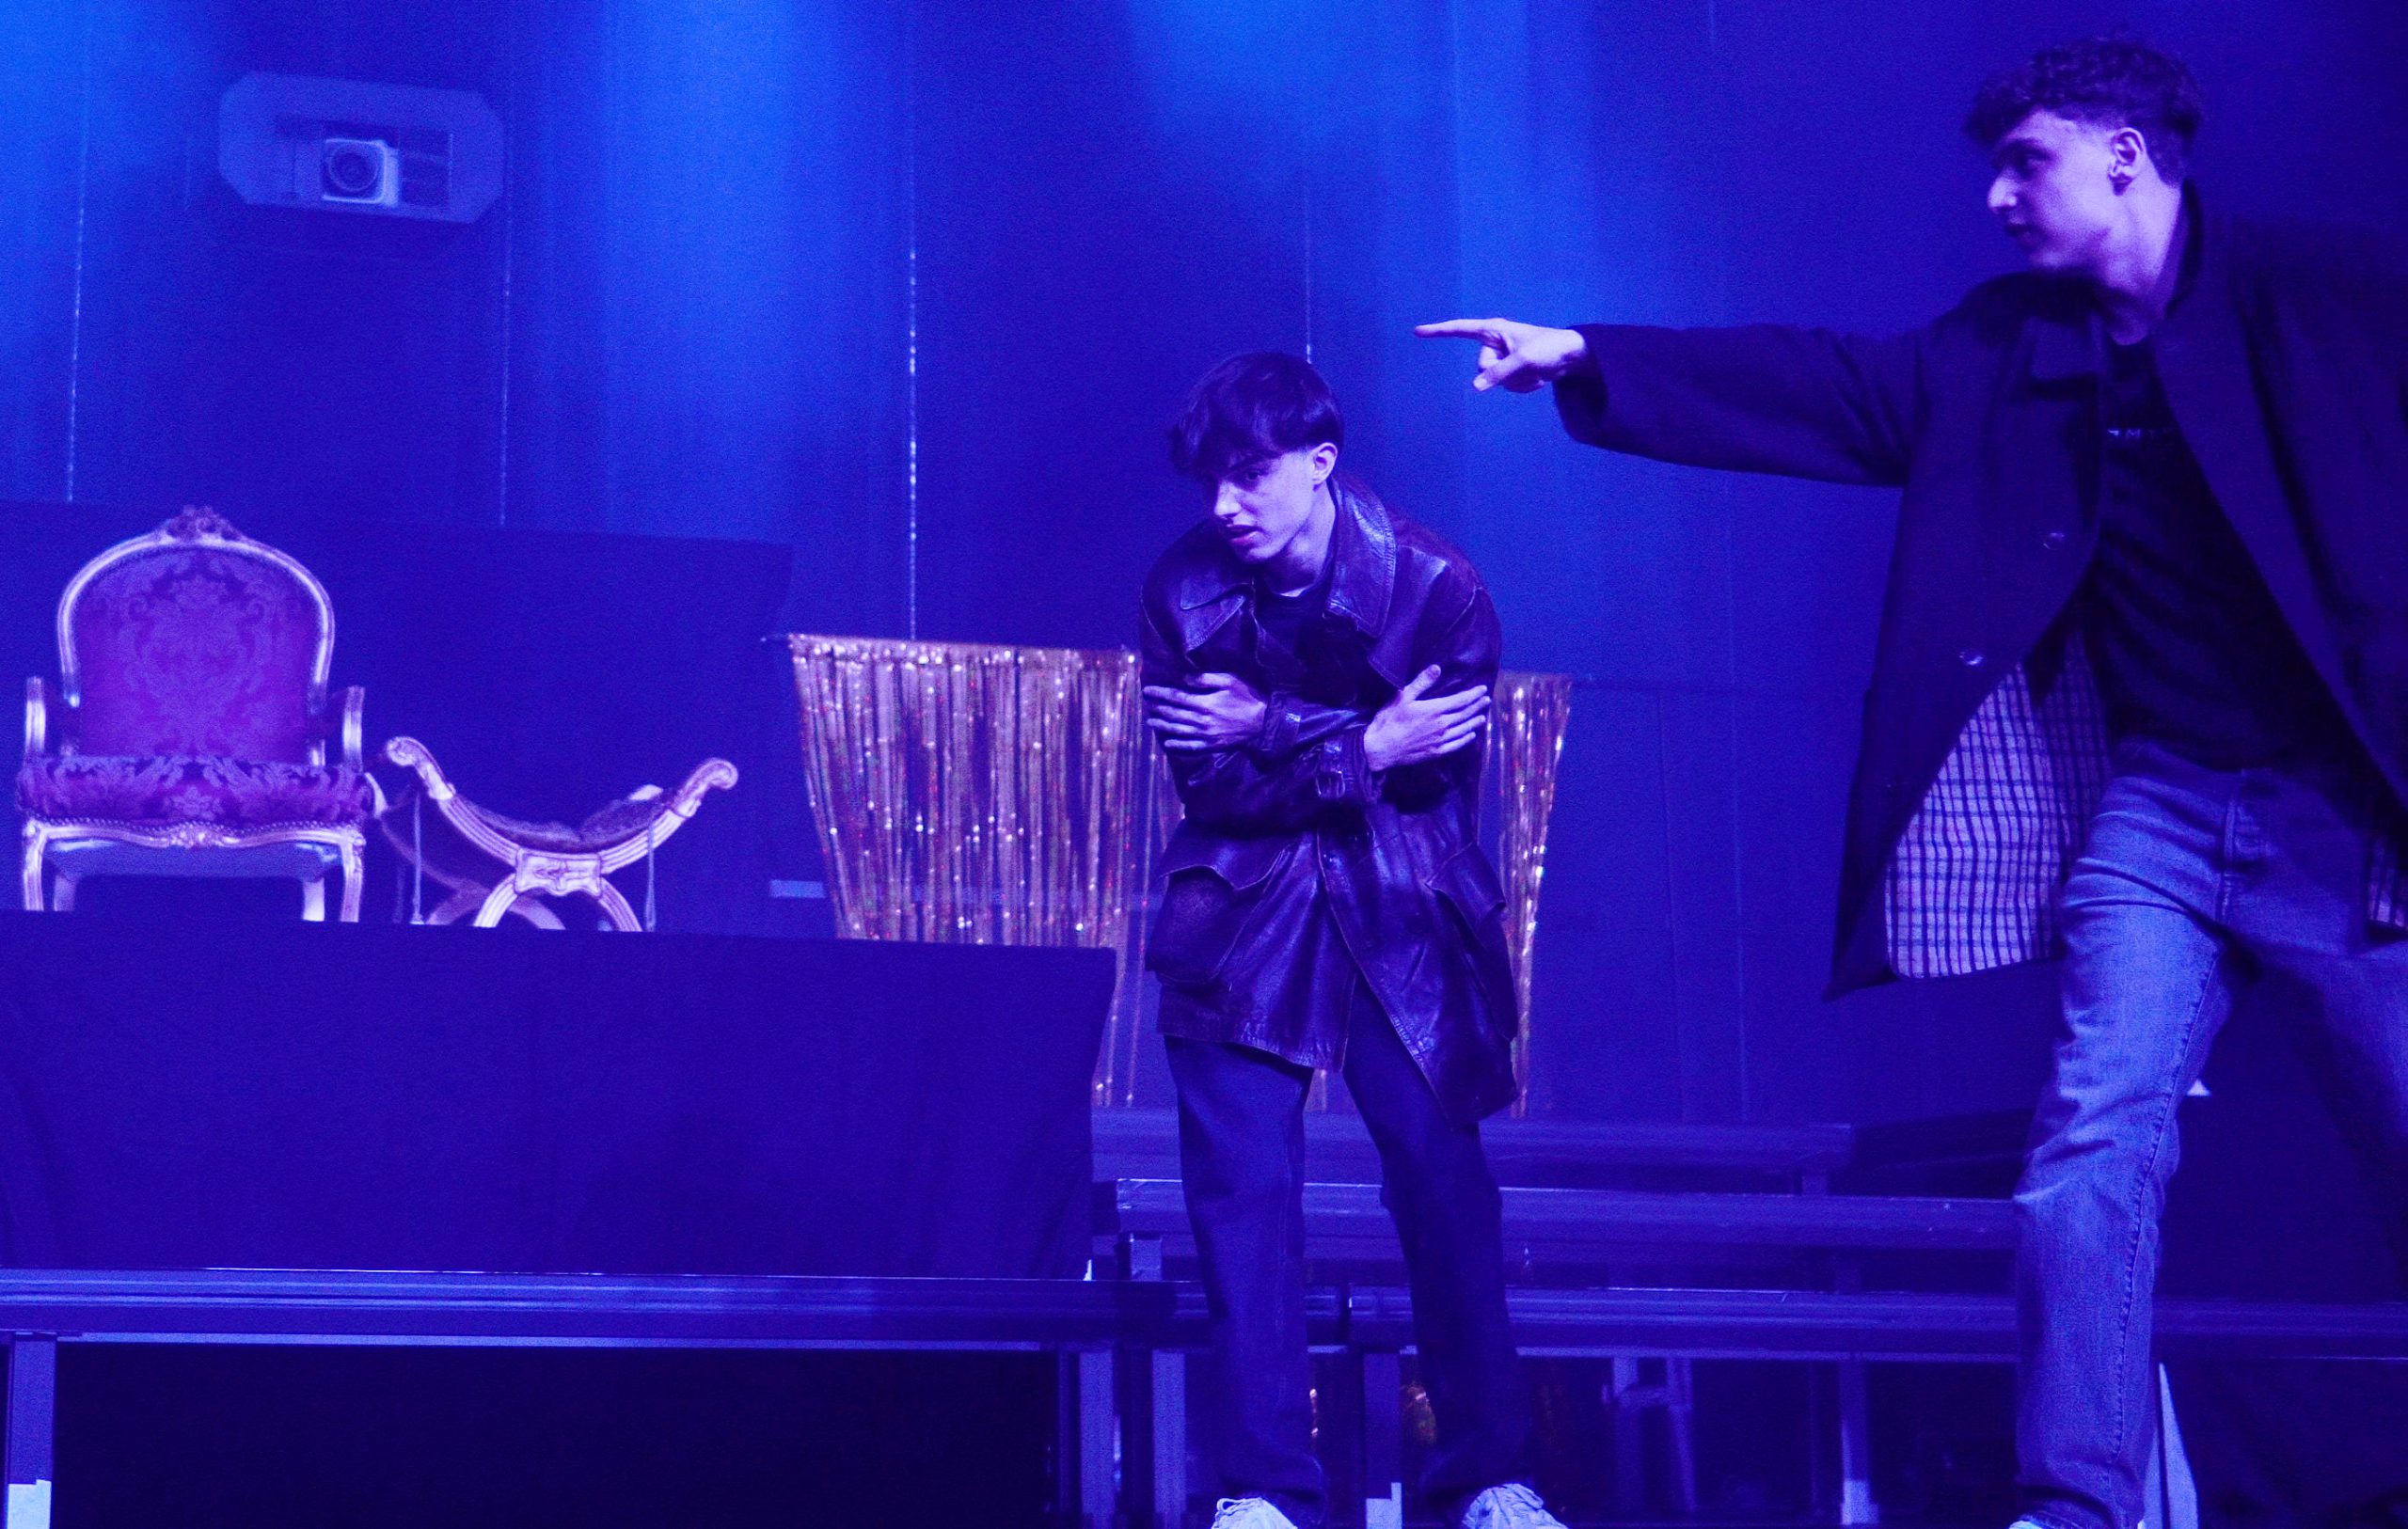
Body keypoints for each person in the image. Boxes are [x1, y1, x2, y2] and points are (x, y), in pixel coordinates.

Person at [1418, 35, 2408, 1529]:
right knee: (2090, 1145)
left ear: (2127, 154)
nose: (1999, 198)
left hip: (2333, 809)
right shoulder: (2005, 351)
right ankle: (2076, 1502)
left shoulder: (2322, 293)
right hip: (2160, 812)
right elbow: (1832, 384)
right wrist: (1595, 357)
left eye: (2028, 163)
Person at [1140, 352, 1564, 1529]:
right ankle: (1263, 1493)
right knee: (1242, 1196)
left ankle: (1489, 1477)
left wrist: (1274, 722)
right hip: (1242, 903)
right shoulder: (1182, 589)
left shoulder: (1434, 584)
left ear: (1319, 462)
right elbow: (1216, 789)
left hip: (1402, 896)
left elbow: (1430, 772)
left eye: (1250, 474)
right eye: (1209, 480)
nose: (1225, 504)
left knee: (1442, 1184)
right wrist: (1363, 743)